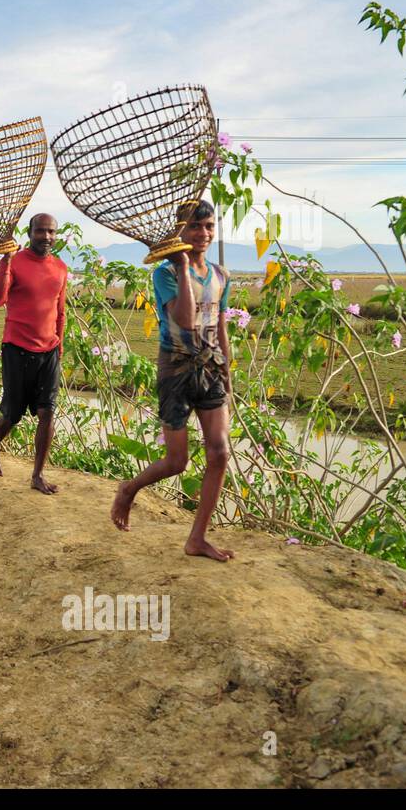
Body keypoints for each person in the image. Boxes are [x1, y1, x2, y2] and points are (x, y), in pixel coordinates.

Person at [111, 201, 235, 562]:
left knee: (220, 452)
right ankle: (129, 489)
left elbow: (219, 325)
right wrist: (182, 267)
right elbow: (185, 320)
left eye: (209, 226)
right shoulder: (165, 274)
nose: (203, 234)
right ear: (179, 232)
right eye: (194, 227)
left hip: (210, 368)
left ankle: (197, 539)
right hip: (176, 370)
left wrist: (226, 370)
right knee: (177, 461)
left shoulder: (221, 275)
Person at [0, 213, 68, 493]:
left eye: (51, 232)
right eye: (40, 231)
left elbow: (60, 311)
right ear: (29, 233)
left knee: (48, 413)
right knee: (12, 413)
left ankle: (37, 475)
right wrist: (5, 261)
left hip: (49, 350)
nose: (46, 237)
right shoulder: (14, 262)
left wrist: (60, 347)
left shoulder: (60, 267)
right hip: (17, 349)